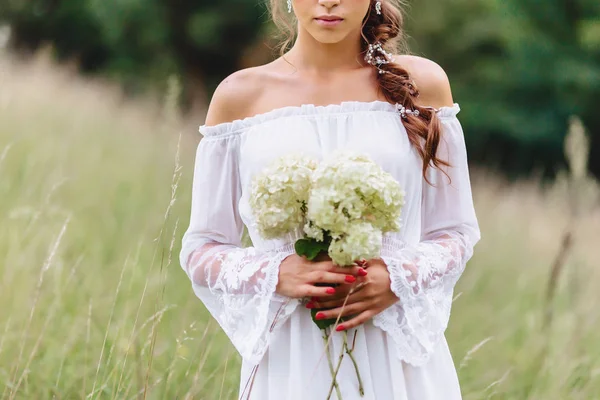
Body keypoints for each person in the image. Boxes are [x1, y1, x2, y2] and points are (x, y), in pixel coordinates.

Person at [179, 0, 480, 398]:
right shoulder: (240, 96)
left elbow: (455, 232)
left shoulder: (422, 83)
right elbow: (202, 248)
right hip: (293, 357)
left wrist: (395, 277)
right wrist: (277, 272)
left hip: (397, 355)